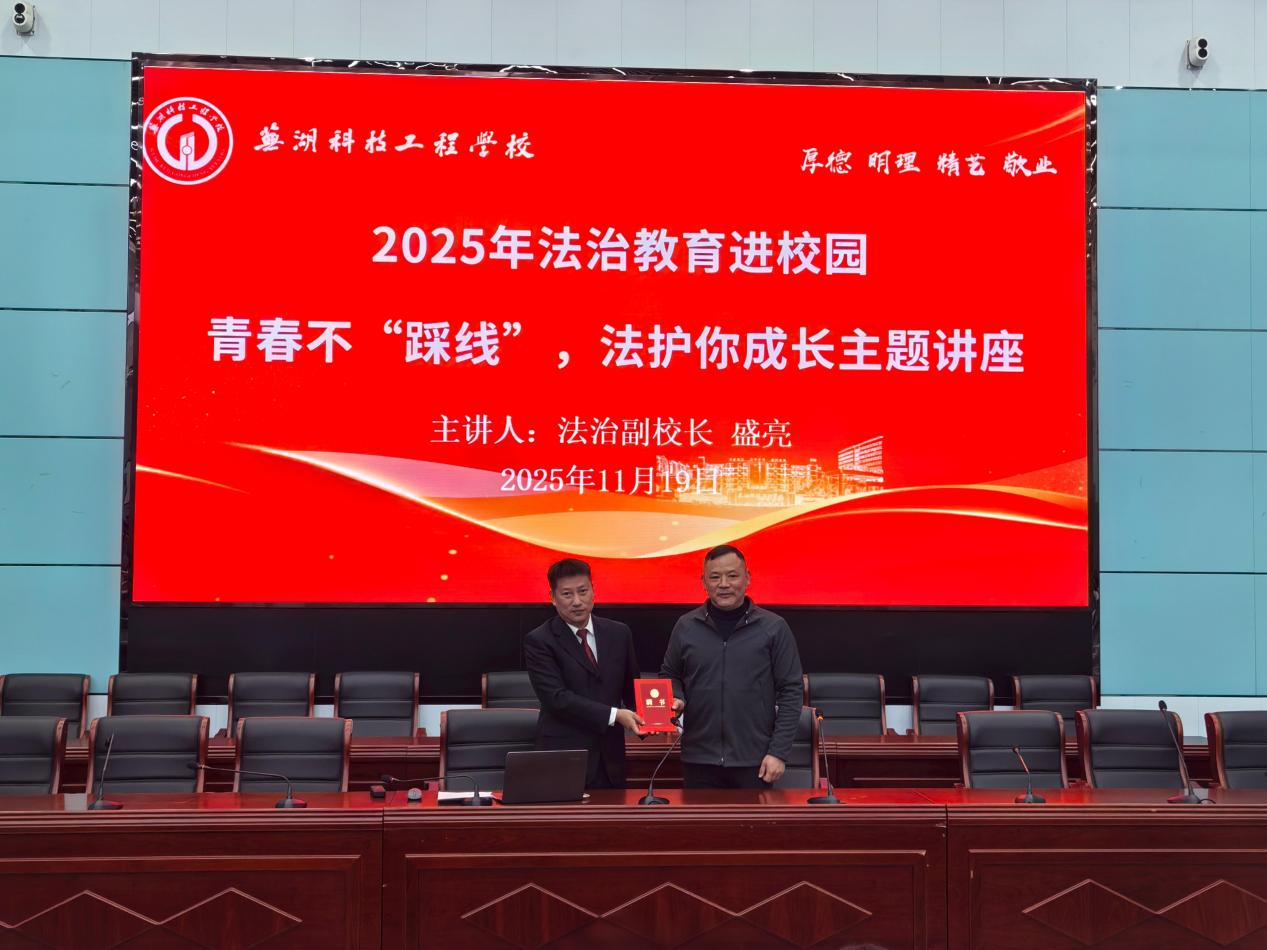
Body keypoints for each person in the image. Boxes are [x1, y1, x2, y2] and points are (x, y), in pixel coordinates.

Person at [660, 544, 804, 789]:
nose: (724, 584)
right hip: (698, 759)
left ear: (747, 578)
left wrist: (778, 752)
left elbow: (792, 691)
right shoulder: (686, 626)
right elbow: (669, 674)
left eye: (733, 575)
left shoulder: (773, 627)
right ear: (703, 582)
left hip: (755, 760)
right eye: (715, 577)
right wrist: (676, 697)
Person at [523, 558, 644, 788]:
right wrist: (614, 715)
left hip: (610, 758)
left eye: (583, 591)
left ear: (593, 591)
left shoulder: (619, 633)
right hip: (565, 757)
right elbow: (557, 699)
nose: (577, 601)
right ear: (553, 598)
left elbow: (632, 690)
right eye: (567, 594)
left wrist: (656, 716)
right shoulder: (539, 640)